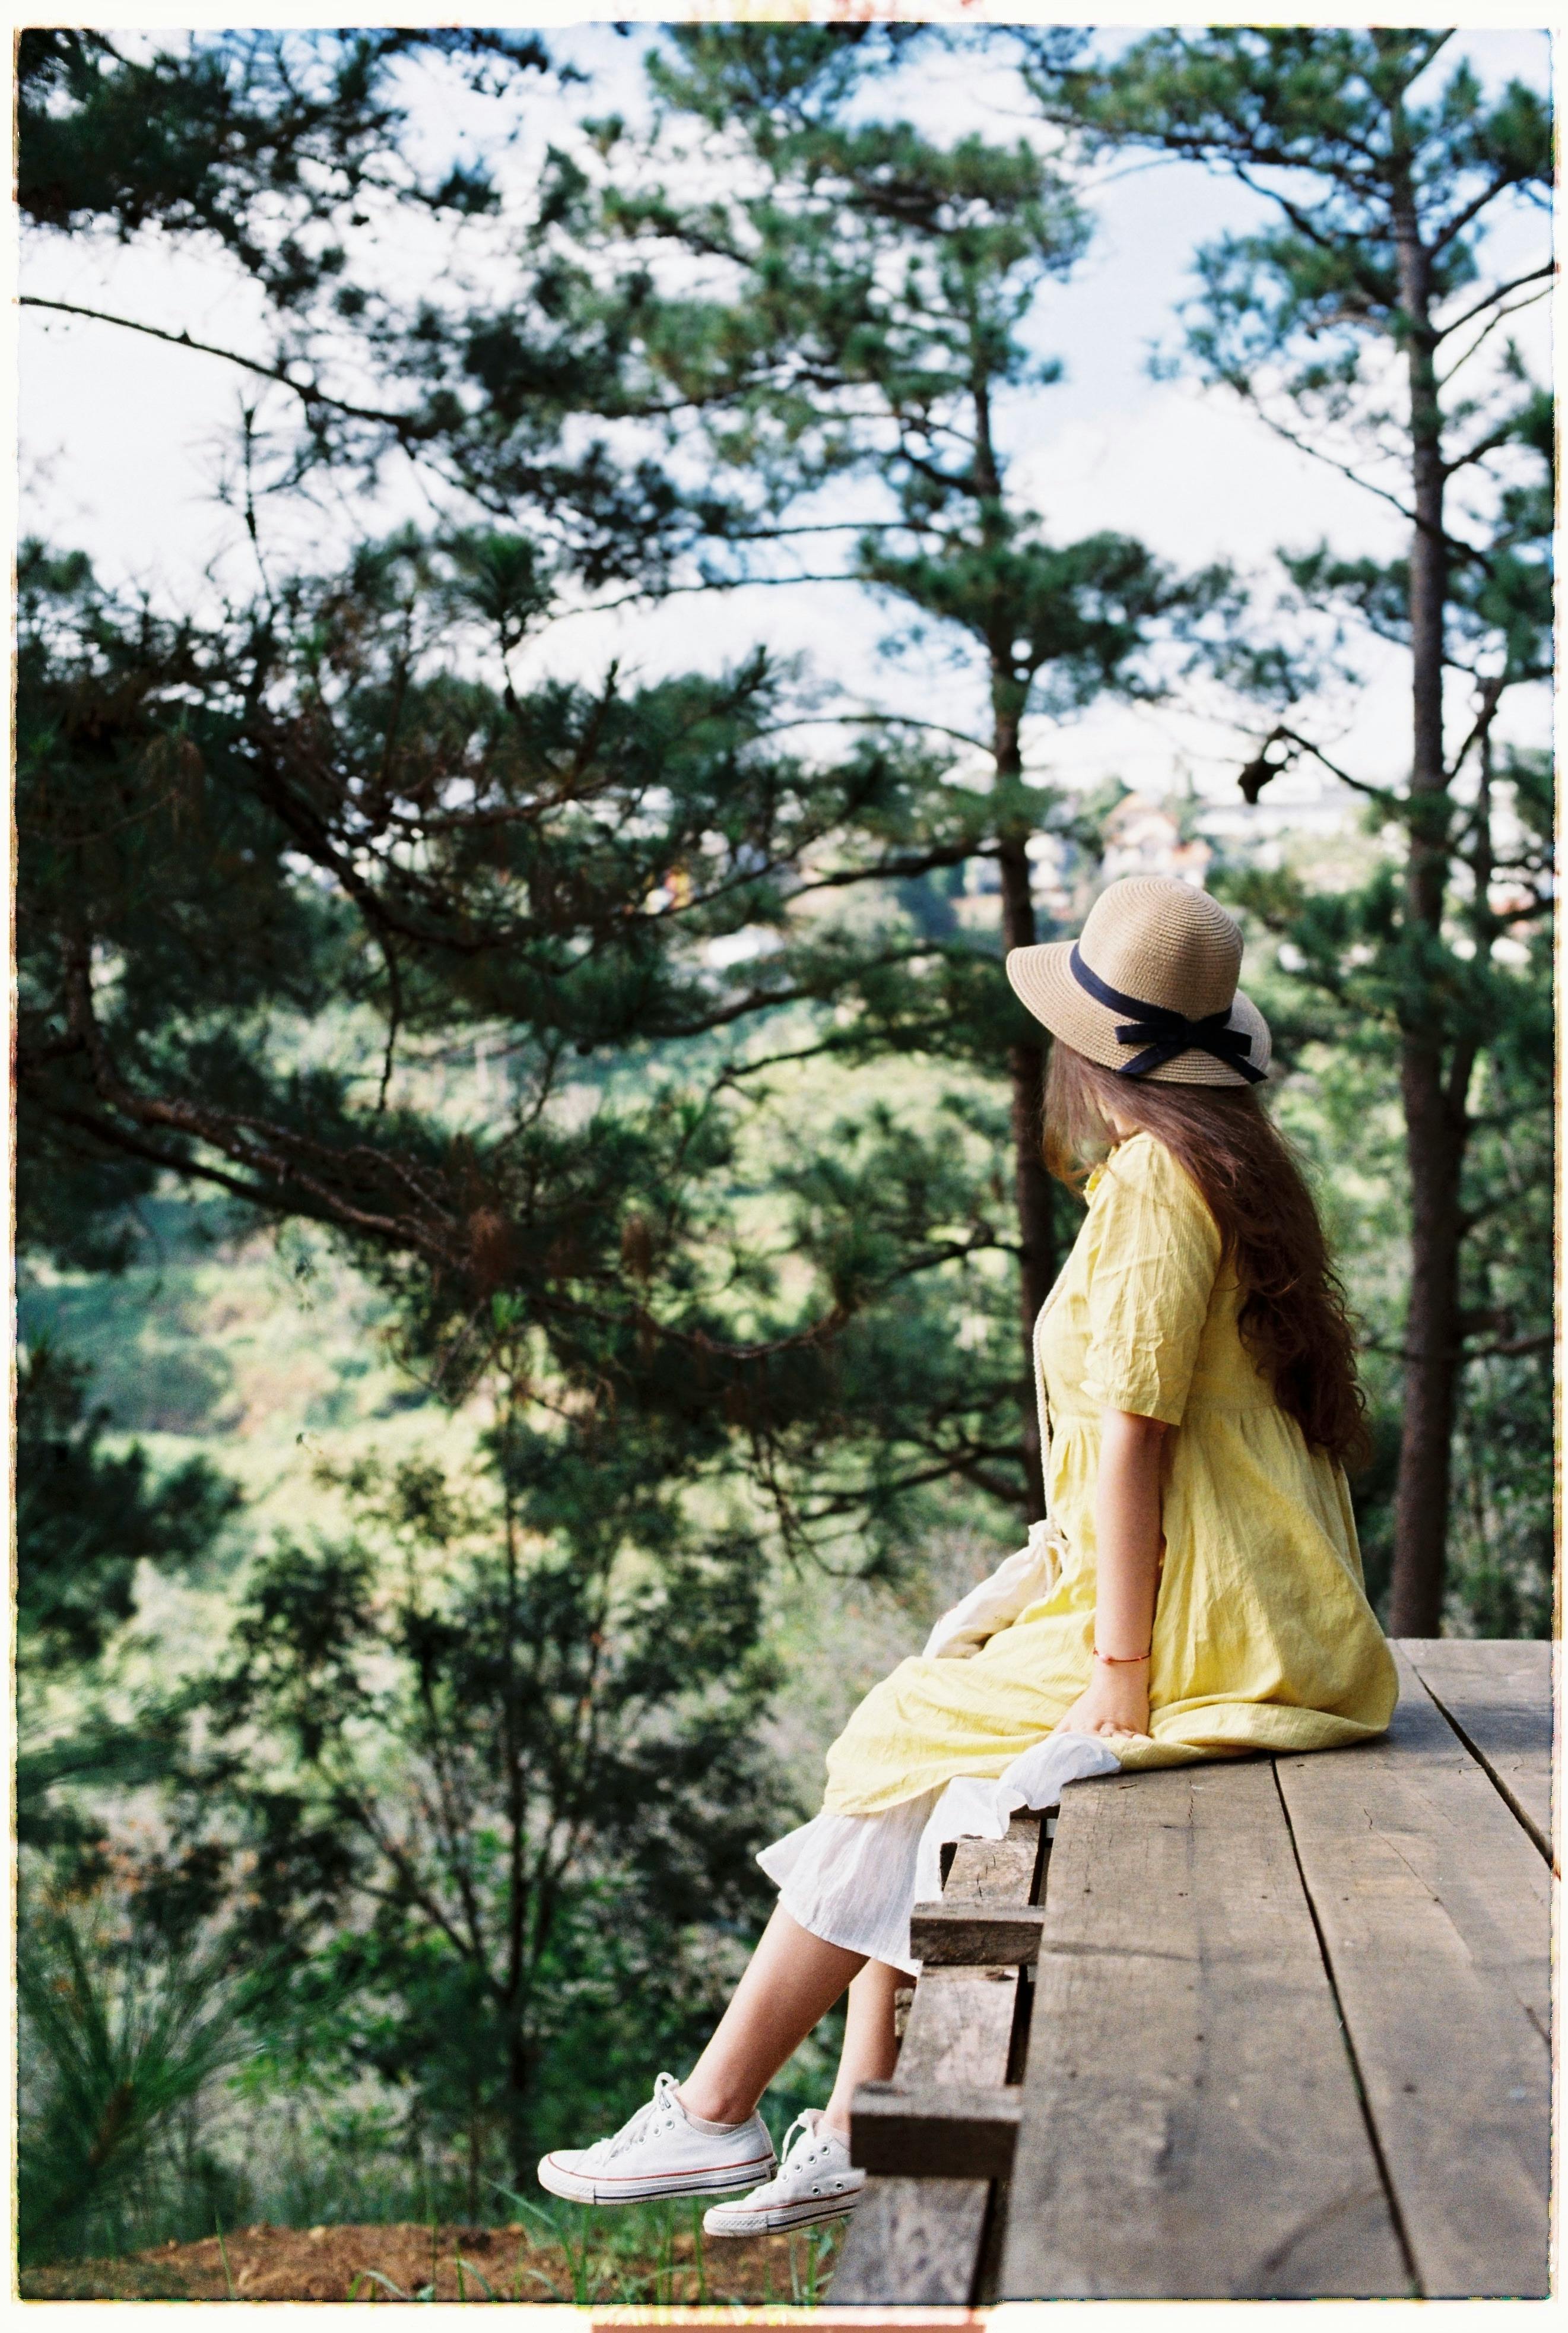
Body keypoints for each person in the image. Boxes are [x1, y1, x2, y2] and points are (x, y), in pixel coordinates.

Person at [537, 874, 1398, 2235]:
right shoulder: (1217, 1166)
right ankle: (838, 2115)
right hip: (1253, 1598)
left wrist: (1117, 1665)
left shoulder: (1156, 1188)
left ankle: (718, 2115)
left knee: (897, 1728)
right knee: (936, 1755)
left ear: (1086, 1048)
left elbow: (1135, 1443)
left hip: (1208, 1620)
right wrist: (1033, 1590)